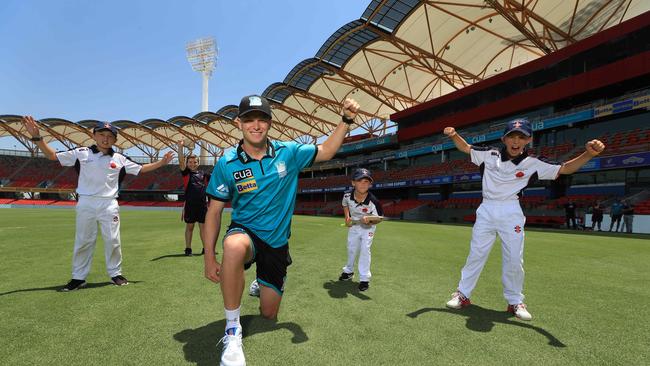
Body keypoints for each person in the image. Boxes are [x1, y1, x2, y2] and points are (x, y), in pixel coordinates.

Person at [202, 95, 360, 366]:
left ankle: (261, 283)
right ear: (239, 123)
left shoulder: (289, 152)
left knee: (269, 313)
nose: (256, 125)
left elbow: (326, 151)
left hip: (276, 242)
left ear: (269, 123)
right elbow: (214, 211)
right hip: (245, 231)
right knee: (233, 246)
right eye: (249, 119)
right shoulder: (227, 162)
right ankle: (232, 330)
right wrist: (208, 257)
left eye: (262, 119)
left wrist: (346, 121)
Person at [443, 118, 605, 321]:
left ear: (529, 140)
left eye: (522, 137)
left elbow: (565, 169)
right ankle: (463, 294)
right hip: (487, 208)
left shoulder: (534, 163)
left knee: (513, 258)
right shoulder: (489, 154)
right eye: (512, 136)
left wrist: (589, 153)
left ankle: (514, 301)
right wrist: (453, 135)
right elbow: (465, 148)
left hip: (511, 211)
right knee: (477, 253)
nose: (516, 141)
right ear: (504, 138)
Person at [21, 116, 174, 291]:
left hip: (109, 203)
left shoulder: (120, 158)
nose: (105, 138)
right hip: (86, 202)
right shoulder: (81, 153)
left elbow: (140, 169)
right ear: (94, 135)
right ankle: (78, 278)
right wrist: (37, 138)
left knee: (113, 240)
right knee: (84, 241)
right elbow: (52, 155)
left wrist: (162, 163)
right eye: (101, 134)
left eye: (110, 136)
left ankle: (115, 273)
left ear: (115, 139)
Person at [338, 168, 383, 292]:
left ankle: (364, 279)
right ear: (353, 183)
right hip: (354, 226)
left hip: (368, 228)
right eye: (360, 181)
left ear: (370, 184)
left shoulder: (374, 201)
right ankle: (349, 271)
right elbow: (345, 204)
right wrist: (347, 217)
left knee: (364, 250)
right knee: (351, 249)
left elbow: (379, 218)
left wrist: (370, 219)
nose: (363, 184)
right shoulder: (347, 195)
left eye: (366, 182)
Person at [178, 140, 211, 256]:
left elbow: (216, 180)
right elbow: (181, 162)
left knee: (203, 228)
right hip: (190, 205)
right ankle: (188, 248)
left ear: (198, 162)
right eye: (190, 162)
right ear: (187, 163)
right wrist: (180, 147)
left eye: (194, 162)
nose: (192, 164)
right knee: (190, 227)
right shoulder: (186, 173)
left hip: (202, 205)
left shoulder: (204, 174)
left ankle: (205, 248)